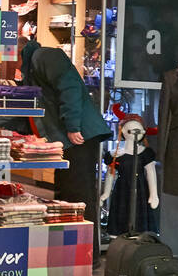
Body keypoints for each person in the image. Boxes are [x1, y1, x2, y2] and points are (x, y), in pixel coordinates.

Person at [19, 37, 111, 237]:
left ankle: (87, 254)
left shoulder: (45, 56)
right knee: (66, 195)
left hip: (79, 137)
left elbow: (70, 87)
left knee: (79, 196)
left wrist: (72, 125)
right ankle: (70, 250)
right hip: (68, 141)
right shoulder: (33, 67)